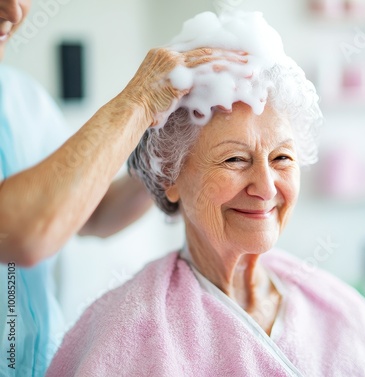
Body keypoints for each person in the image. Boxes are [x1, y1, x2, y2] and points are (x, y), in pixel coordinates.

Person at [46, 11, 365, 377]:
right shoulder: (127, 330)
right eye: (234, 159)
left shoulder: (337, 308)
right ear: (170, 177)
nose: (265, 187)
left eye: (281, 157)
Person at [0, 1, 243, 375]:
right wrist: (140, 100)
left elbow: (87, 212)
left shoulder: (22, 100)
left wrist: (164, 159)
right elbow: (22, 233)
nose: (14, 11)